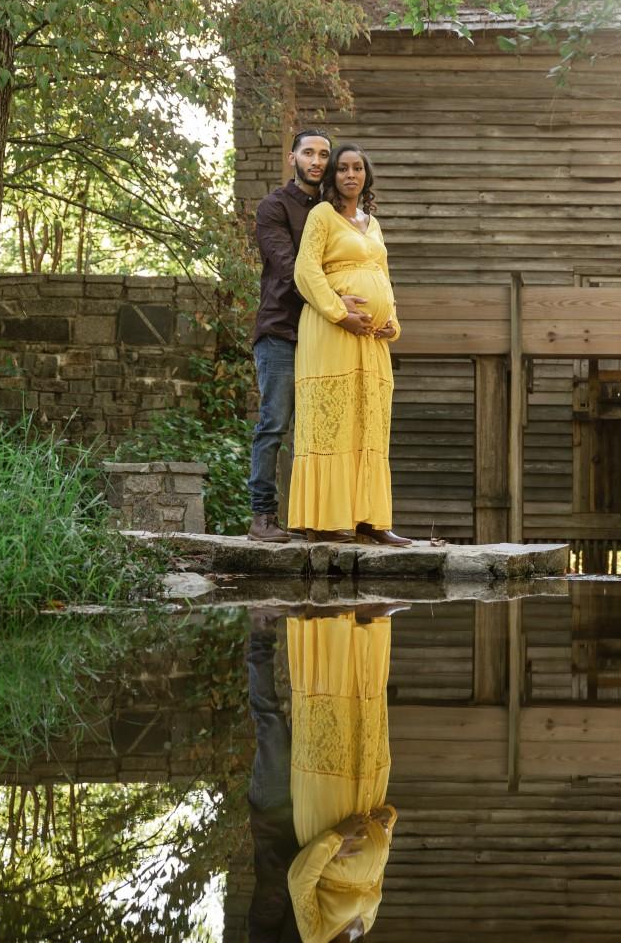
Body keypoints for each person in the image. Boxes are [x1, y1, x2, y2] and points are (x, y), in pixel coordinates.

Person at [248, 131, 373, 543]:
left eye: (323, 155)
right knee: (274, 423)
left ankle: (313, 518)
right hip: (283, 331)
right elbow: (291, 269)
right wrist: (338, 302)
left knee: (321, 427)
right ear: (293, 159)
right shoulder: (274, 207)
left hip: (324, 333)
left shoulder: (332, 210)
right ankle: (262, 516)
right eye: (308, 154)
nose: (316, 162)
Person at [288, 144, 411, 546]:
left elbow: (382, 276)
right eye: (342, 168)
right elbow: (305, 270)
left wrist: (392, 322)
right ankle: (326, 520)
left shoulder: (372, 224)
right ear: (333, 176)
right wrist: (340, 312)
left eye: (357, 168)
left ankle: (371, 519)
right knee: (334, 421)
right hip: (332, 331)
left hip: (371, 340)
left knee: (370, 421)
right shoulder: (322, 215)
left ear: (366, 175)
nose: (350, 175)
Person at [286, 607, 400, 943]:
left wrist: (337, 836)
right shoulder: (368, 925)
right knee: (366, 722)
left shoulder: (316, 936)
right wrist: (388, 823)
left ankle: (325, 623)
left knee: (332, 724)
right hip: (368, 806)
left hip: (329, 815)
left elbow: (298, 881)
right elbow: (375, 874)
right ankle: (370, 621)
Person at [244, 610, 304, 943]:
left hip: (273, 809)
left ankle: (261, 629)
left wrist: (318, 856)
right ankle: (309, 628)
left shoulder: (261, 937)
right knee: (310, 711)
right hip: (308, 818)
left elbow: (274, 885)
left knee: (269, 722)